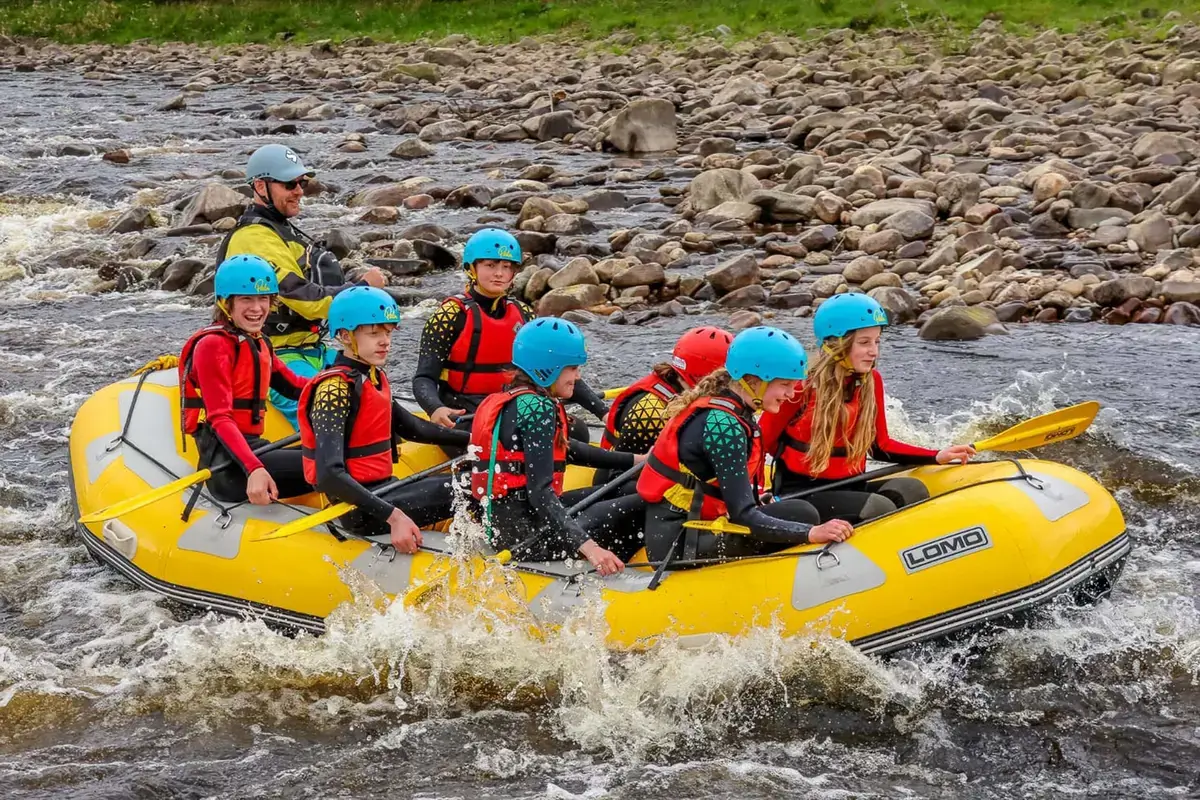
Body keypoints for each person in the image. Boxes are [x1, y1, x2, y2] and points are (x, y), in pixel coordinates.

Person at [637, 326, 854, 566]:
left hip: (690, 526)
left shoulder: (733, 407)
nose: (792, 394)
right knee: (803, 515)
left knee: (798, 509)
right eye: (785, 385)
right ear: (752, 381)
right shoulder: (724, 427)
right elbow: (743, 515)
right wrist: (810, 533)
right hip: (681, 542)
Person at [759, 294, 976, 524]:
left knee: (911, 489)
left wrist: (936, 455)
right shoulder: (800, 387)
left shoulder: (872, 381)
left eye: (877, 341)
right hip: (802, 493)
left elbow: (880, 446)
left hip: (851, 484)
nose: (874, 351)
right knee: (878, 507)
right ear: (837, 344)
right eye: (864, 343)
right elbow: (759, 442)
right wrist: (753, 497)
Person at [215, 143, 387, 428]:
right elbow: (305, 300)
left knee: (373, 388)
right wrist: (360, 289)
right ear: (260, 186)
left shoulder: (280, 229)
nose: (299, 190)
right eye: (289, 184)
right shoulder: (254, 238)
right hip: (277, 355)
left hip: (311, 350)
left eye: (302, 183)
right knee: (332, 415)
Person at [298, 287, 471, 553]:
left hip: (385, 489)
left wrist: (475, 439)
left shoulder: (372, 377)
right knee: (476, 485)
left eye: (388, 332)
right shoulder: (334, 390)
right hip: (359, 508)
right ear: (345, 336)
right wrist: (394, 517)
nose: (385, 341)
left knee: (475, 479)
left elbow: (413, 428)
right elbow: (329, 475)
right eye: (374, 333)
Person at [468, 317, 645, 576]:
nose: (578, 375)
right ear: (548, 368)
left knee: (626, 489)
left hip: (514, 523)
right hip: (526, 537)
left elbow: (568, 450)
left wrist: (637, 460)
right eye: (572, 368)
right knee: (638, 505)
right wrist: (591, 548)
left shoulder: (521, 399)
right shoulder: (538, 408)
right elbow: (540, 492)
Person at [413, 228, 609, 439]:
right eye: (490, 265)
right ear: (471, 268)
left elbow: (558, 369)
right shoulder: (449, 315)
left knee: (576, 431)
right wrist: (435, 408)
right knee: (502, 438)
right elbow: (424, 378)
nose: (499, 273)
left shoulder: (523, 315)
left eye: (506, 267)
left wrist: (603, 412)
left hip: (511, 404)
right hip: (464, 412)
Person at [178, 255, 309, 505]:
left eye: (263, 299)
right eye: (246, 299)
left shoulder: (258, 342)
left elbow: (294, 387)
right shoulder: (213, 346)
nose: (257, 308)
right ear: (226, 303)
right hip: (229, 465)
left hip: (255, 448)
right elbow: (219, 418)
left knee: (334, 455)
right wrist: (254, 468)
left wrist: (339, 388)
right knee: (333, 465)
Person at [593, 326, 732, 485]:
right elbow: (617, 477)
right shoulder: (652, 411)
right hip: (617, 484)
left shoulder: (680, 386)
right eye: (726, 380)